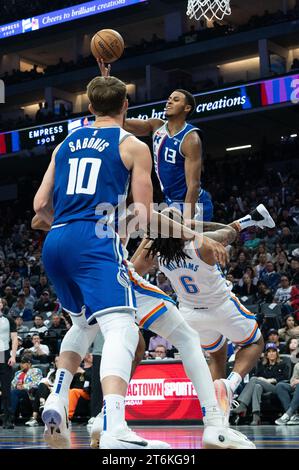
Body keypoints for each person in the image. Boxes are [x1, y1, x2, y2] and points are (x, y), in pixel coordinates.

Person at [32, 74, 169, 450]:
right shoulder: (132, 144)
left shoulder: (64, 144)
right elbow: (143, 212)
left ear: (89, 108)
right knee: (122, 328)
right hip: (93, 239)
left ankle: (57, 397)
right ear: (126, 107)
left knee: (82, 323)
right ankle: (115, 428)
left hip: (56, 239)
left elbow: (39, 208)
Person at [132, 206, 278, 424]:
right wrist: (194, 227)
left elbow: (133, 269)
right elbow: (228, 231)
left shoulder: (157, 253)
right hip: (221, 306)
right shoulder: (202, 243)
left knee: (217, 355)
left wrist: (151, 235)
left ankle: (217, 415)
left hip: (191, 314)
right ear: (181, 226)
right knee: (256, 343)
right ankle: (230, 384)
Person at [98, 61, 212, 221]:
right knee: (157, 243)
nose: (169, 101)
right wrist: (108, 88)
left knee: (188, 245)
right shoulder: (156, 126)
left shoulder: (190, 138)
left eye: (176, 100)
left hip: (194, 204)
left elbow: (193, 185)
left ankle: (236, 228)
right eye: (169, 98)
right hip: (171, 202)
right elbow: (122, 122)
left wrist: (186, 221)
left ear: (186, 108)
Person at [232, 343, 290, 424]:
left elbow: (286, 379)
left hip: (277, 388)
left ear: (277, 353)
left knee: (254, 380)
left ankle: (242, 405)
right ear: (266, 355)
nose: (271, 353)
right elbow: (256, 376)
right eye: (269, 352)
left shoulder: (283, 364)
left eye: (273, 351)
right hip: (263, 388)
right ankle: (256, 417)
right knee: (257, 386)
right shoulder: (262, 365)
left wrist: (271, 380)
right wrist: (262, 380)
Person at [0, 297, 18, 429]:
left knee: (6, 389)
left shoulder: (8, 320)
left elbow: (14, 339)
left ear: (2, 305)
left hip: (3, 353)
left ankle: (8, 419)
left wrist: (13, 356)